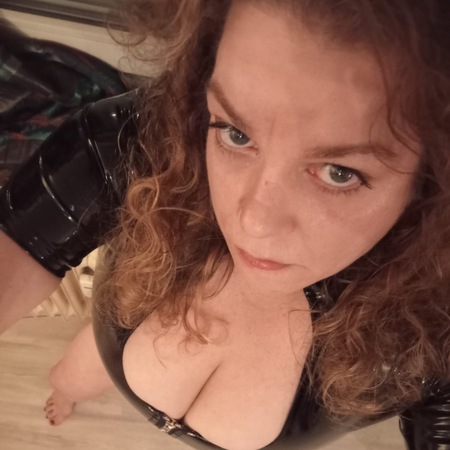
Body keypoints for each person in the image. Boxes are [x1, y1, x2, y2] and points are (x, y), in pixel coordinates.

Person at [1, 0, 450, 449]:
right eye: (236, 133)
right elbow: (19, 242)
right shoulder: (150, 138)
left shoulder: (439, 320)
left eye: (339, 172)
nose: (252, 224)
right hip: (103, 357)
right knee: (70, 378)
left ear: (433, 182)